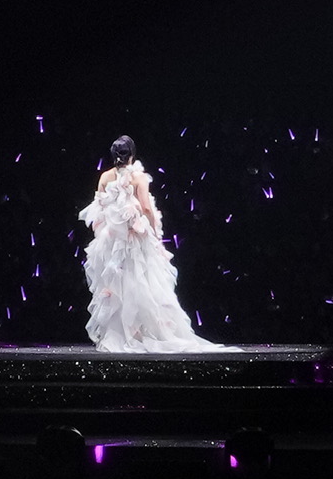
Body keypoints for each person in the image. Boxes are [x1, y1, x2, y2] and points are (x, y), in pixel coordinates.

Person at [77, 137, 231, 353]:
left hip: (111, 241)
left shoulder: (104, 177)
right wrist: (154, 232)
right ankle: (142, 332)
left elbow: (99, 208)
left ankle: (122, 333)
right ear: (132, 154)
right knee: (141, 281)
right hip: (134, 239)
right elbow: (147, 208)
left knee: (118, 284)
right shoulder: (139, 177)